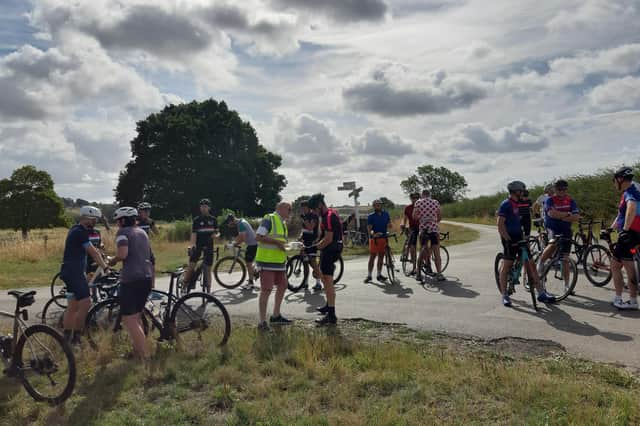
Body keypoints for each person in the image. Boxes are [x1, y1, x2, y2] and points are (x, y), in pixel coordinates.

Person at [498, 181, 556, 307]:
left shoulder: (519, 203)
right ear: (515, 192)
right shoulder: (506, 204)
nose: (523, 193)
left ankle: (541, 293)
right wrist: (508, 239)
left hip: (520, 236)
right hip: (509, 238)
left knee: (531, 265)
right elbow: (500, 224)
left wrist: (526, 234)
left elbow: (524, 218)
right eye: (521, 191)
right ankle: (504, 295)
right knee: (507, 265)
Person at [108, 207, 153, 359]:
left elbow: (122, 254)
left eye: (117, 221)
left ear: (122, 220)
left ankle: (145, 355)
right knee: (137, 317)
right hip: (146, 277)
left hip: (131, 279)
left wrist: (112, 261)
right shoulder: (142, 232)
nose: (117, 224)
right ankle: (137, 352)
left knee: (129, 319)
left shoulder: (122, 233)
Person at [60, 206, 109, 344]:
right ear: (87, 218)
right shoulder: (80, 232)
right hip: (74, 273)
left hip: (69, 271)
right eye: (94, 220)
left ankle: (66, 337)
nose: (95, 223)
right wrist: (105, 267)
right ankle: (77, 337)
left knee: (73, 306)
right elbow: (93, 252)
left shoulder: (74, 230)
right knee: (86, 303)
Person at [536, 180, 580, 293]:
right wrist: (567, 214)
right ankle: (541, 262)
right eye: (559, 189)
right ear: (555, 190)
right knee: (553, 243)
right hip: (552, 226)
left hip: (565, 228)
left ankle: (567, 286)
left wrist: (562, 216)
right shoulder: (550, 200)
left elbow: (576, 216)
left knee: (565, 259)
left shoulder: (570, 200)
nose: (562, 192)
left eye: (564, 189)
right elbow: (551, 214)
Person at [307, 193, 343, 326]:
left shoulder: (328, 216)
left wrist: (314, 249)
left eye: (314, 209)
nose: (313, 212)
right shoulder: (327, 215)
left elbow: (328, 239)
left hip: (331, 249)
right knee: (326, 280)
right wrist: (313, 245)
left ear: (320, 205)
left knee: (327, 282)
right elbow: (322, 236)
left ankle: (331, 315)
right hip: (329, 248)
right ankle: (328, 306)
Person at [255, 202, 292, 330]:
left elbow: (281, 241)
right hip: (267, 261)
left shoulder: (283, 222)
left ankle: (276, 316)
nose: (290, 212)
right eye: (289, 209)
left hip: (279, 262)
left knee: (283, 285)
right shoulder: (269, 218)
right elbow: (258, 236)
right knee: (266, 290)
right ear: (280, 209)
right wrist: (277, 242)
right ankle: (262, 322)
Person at [610, 167, 640, 310]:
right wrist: (612, 227)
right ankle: (628, 299)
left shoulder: (630, 192)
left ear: (620, 179)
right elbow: (621, 214)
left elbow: (632, 208)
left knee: (619, 266)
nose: (614, 183)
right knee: (626, 265)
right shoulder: (635, 188)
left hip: (631, 233)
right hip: (635, 232)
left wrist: (625, 230)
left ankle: (624, 299)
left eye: (614, 180)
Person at [184, 199, 217, 293]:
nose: (203, 208)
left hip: (209, 246)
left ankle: (209, 292)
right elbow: (194, 234)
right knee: (191, 266)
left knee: (208, 269)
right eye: (202, 206)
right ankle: (185, 283)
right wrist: (192, 245)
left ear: (209, 207)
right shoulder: (197, 220)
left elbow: (217, 231)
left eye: (205, 206)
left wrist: (216, 235)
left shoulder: (213, 219)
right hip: (198, 245)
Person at [413, 189, 445, 282]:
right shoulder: (435, 202)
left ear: (422, 195)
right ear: (429, 195)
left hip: (423, 230)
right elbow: (439, 217)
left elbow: (414, 216)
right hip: (434, 230)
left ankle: (418, 274)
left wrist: (422, 218)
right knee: (437, 252)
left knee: (422, 250)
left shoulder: (418, 202)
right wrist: (433, 221)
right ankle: (439, 274)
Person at [225, 213, 258, 291]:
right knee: (249, 262)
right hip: (252, 244)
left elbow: (242, 238)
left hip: (252, 244)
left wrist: (232, 245)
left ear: (232, 221)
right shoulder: (241, 221)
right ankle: (255, 272)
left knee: (248, 264)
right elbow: (240, 236)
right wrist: (233, 242)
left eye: (229, 223)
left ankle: (251, 283)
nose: (229, 225)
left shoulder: (241, 224)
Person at [365, 199, 391, 283]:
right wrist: (373, 234)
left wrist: (390, 226)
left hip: (384, 237)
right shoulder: (371, 216)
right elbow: (369, 228)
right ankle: (369, 275)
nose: (378, 206)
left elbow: (389, 224)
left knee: (381, 257)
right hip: (375, 239)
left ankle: (379, 275)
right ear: (374, 206)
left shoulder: (386, 214)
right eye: (376, 205)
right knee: (372, 257)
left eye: (379, 204)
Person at [299, 201, 323, 292]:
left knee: (313, 262)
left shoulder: (314, 216)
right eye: (302, 208)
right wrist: (300, 236)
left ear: (309, 208)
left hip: (313, 241)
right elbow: (304, 229)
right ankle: (305, 283)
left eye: (304, 208)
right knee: (304, 262)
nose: (303, 210)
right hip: (305, 241)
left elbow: (310, 227)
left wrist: (304, 219)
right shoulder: (305, 217)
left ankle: (318, 283)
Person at [137, 202, 158, 293]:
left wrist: (152, 224)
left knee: (152, 265)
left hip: (146, 247)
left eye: (148, 211)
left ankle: (152, 287)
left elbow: (157, 233)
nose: (146, 213)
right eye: (144, 211)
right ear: (139, 212)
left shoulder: (149, 221)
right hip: (137, 247)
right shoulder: (135, 221)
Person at [401, 193, 421, 275]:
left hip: (422, 227)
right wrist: (403, 224)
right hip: (413, 228)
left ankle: (427, 265)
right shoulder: (408, 208)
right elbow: (405, 219)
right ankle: (414, 267)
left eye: (417, 198)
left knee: (425, 246)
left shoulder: (421, 206)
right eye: (413, 198)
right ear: (411, 199)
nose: (415, 199)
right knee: (412, 247)